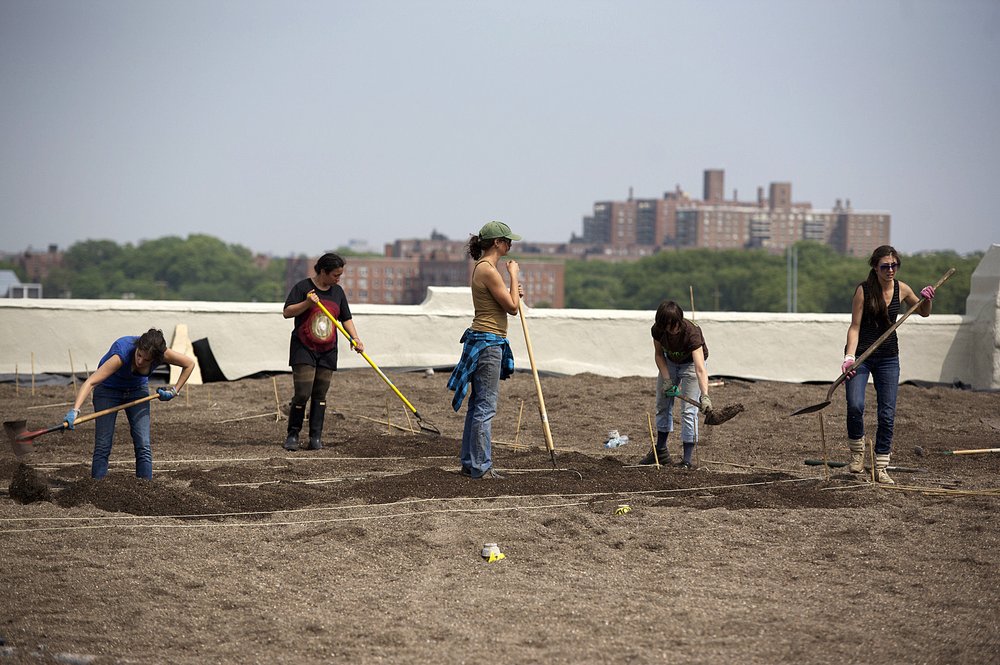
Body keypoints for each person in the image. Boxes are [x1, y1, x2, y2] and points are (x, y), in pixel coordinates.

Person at [842, 245, 935, 484]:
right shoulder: (864, 291)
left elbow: (923, 312)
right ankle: (857, 454)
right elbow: (854, 327)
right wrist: (849, 357)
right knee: (855, 405)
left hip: (888, 358)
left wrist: (927, 299)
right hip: (862, 356)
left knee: (887, 414)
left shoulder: (902, 289)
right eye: (885, 266)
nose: (890, 270)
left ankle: (881, 467)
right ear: (875, 267)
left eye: (894, 265)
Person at [65, 328, 195, 480]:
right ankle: (97, 488)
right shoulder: (122, 352)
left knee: (143, 444)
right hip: (108, 390)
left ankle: (146, 488)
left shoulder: (161, 353)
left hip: (136, 390)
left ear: (156, 358)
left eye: (146, 360)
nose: (140, 361)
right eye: (139, 355)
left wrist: (174, 391)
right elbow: (91, 382)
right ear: (137, 347)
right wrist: (75, 410)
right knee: (103, 444)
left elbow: (189, 364)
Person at [447, 221, 523, 480]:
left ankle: (470, 463)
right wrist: (513, 275)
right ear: (497, 243)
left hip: (483, 339)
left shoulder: (484, 268)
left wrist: (513, 290)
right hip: (488, 342)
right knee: (485, 407)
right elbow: (512, 308)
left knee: (477, 405)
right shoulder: (489, 270)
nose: (510, 245)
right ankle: (481, 466)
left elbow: (506, 301)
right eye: (507, 241)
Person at [282, 252, 365, 451]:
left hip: (327, 350)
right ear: (323, 271)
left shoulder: (337, 292)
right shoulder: (303, 287)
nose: (338, 279)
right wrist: (307, 304)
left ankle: (315, 437)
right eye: (336, 275)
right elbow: (287, 312)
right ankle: (293, 435)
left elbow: (346, 318)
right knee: (303, 393)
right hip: (304, 348)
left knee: (320, 394)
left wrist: (356, 338)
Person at [641, 300, 712, 468]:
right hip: (670, 363)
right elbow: (659, 355)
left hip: (690, 365)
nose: (672, 331)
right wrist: (667, 381)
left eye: (674, 326)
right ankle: (661, 451)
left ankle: (686, 460)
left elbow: (700, 368)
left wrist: (705, 396)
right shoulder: (657, 330)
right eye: (668, 327)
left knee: (688, 412)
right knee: (662, 405)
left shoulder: (691, 333)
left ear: (679, 322)